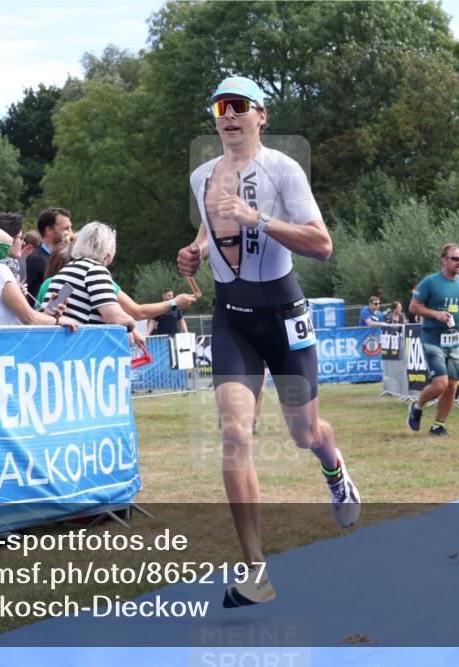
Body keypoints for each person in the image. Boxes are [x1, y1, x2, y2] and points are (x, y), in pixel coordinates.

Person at [177, 75, 360, 608]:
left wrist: (258, 217)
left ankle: (334, 467)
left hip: (285, 317)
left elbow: (322, 245)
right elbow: (210, 236)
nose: (229, 114)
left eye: (240, 106)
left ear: (262, 116)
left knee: (304, 433)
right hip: (233, 320)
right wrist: (193, 253)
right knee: (235, 432)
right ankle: (256, 571)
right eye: (220, 106)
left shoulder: (284, 168)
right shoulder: (201, 176)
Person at [407, 244, 459, 436]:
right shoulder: (430, 282)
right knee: (440, 384)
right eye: (454, 259)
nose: (458, 262)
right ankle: (417, 406)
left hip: (453, 340)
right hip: (432, 339)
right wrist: (435, 314)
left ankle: (438, 425)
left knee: (452, 385)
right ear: (443, 260)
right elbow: (414, 307)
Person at [43, 222, 145, 351]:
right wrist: (131, 324)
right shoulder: (95, 270)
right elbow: (115, 318)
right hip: (83, 351)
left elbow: (50, 313)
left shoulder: (64, 272)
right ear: (108, 251)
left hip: (60, 349)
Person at [0, 212, 78, 330]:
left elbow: (21, 317)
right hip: (3, 343)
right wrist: (58, 320)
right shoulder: (0, 270)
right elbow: (30, 319)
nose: (23, 242)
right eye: (21, 238)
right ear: (8, 239)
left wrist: (46, 313)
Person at [26, 207, 73, 302]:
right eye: (66, 228)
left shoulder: (62, 259)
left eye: (70, 228)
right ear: (49, 231)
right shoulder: (36, 259)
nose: (71, 233)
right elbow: (22, 292)